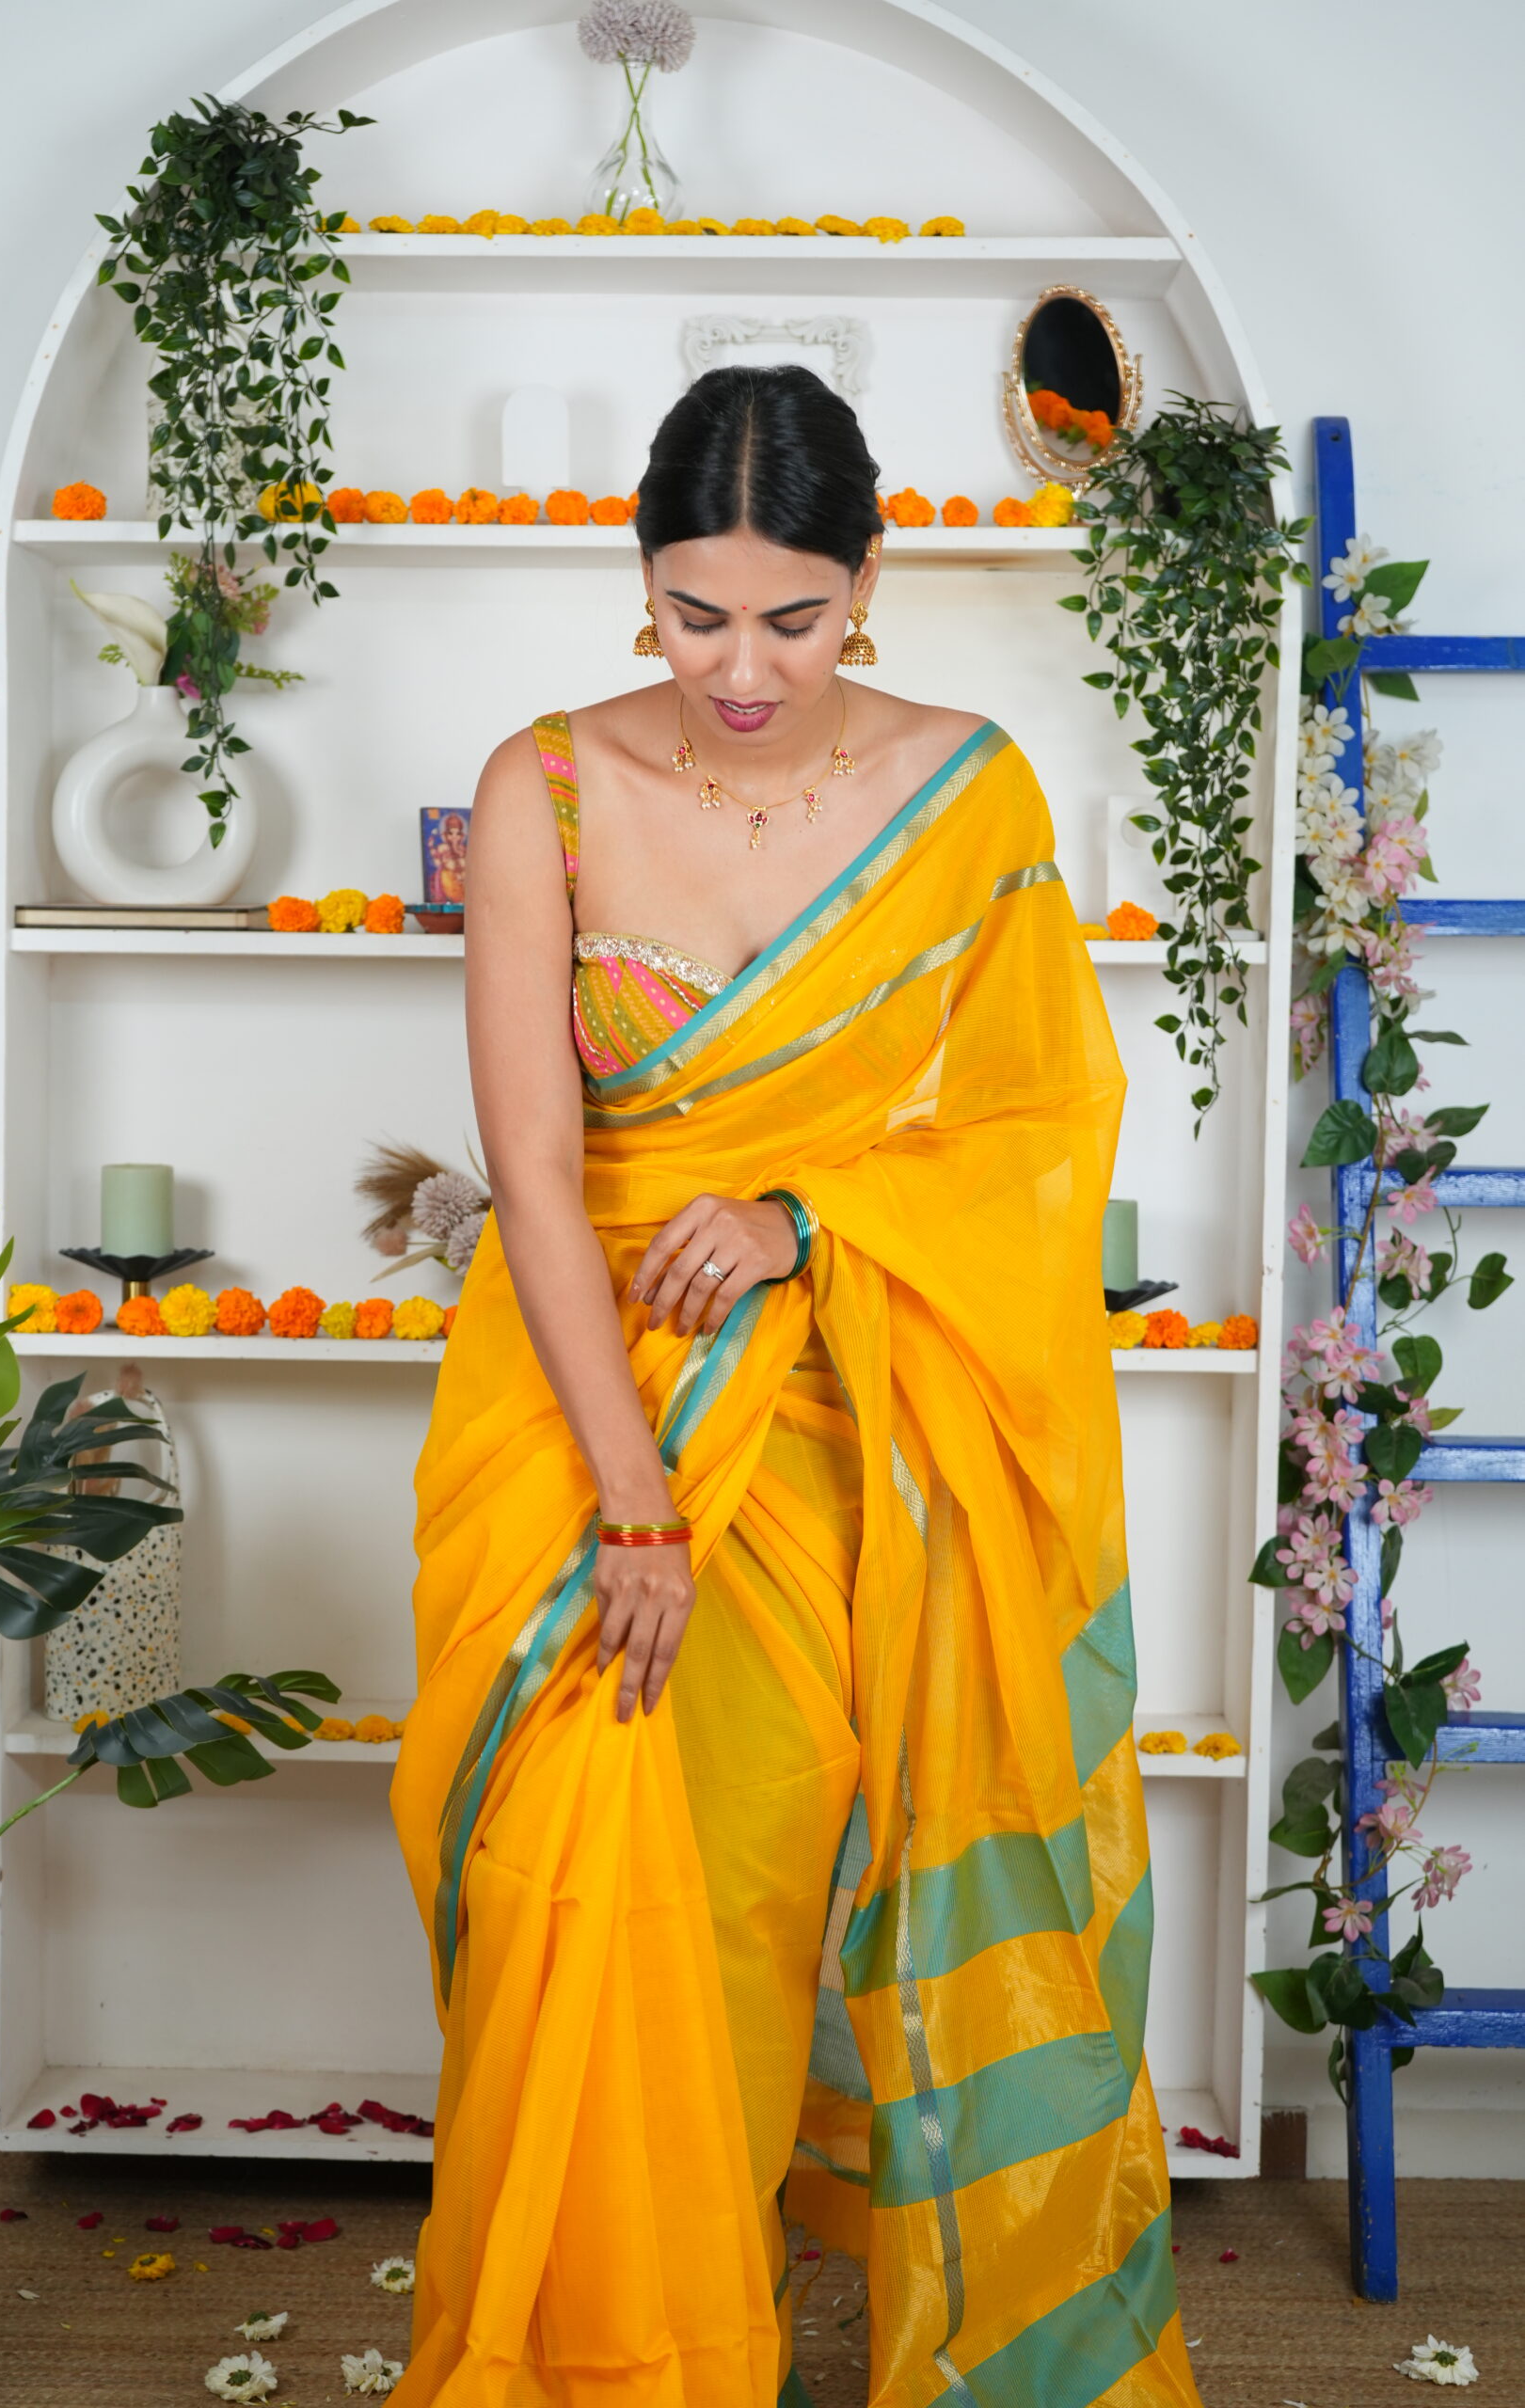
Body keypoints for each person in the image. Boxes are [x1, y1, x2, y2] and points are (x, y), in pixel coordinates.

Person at [390, 365, 1201, 2407]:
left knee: (743, 1879)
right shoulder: (544, 788)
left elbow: (1034, 1125)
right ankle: (616, 2359)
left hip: (850, 1407)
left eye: (792, 619)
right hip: (584, 1395)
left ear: (869, 580)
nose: (740, 671)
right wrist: (633, 1502)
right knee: (581, 1870)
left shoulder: (967, 792)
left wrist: (802, 1217)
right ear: (641, 583)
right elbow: (534, 1173)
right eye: (694, 616)